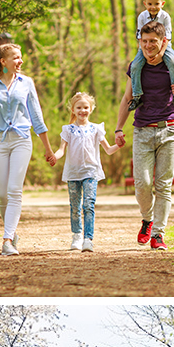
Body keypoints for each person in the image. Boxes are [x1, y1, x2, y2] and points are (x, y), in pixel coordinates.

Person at [114, 21, 174, 251]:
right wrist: (119, 128)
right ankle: (147, 219)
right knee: (142, 184)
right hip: (142, 129)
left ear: (163, 42)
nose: (148, 46)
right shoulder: (136, 67)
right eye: (144, 41)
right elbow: (127, 97)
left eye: (153, 41)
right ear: (140, 41)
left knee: (163, 185)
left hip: (170, 128)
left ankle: (158, 234)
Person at [0, 43, 57, 256]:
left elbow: (37, 117)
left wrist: (48, 149)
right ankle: (11, 231)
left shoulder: (27, 83)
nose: (20, 61)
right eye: (16, 58)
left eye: (21, 57)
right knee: (2, 195)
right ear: (3, 61)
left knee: (14, 191)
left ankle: (7, 239)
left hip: (22, 140)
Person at [51, 92, 122, 252]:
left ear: (91, 109)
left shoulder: (96, 129)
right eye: (79, 107)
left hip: (91, 172)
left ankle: (88, 239)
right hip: (73, 173)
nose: (82, 110)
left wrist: (119, 145)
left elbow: (109, 150)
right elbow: (61, 150)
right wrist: (54, 157)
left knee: (88, 205)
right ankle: (76, 236)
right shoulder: (68, 130)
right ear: (73, 110)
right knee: (75, 206)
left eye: (85, 107)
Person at [128, 0, 174, 110]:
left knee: (173, 62)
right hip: (145, 46)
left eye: (156, 4)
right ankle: (137, 96)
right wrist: (145, 53)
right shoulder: (142, 17)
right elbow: (140, 36)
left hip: (164, 46)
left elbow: (168, 36)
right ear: (145, 4)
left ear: (162, 4)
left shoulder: (165, 17)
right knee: (135, 66)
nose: (153, 7)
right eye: (150, 4)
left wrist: (161, 53)